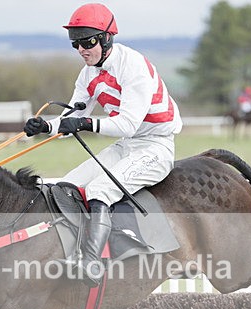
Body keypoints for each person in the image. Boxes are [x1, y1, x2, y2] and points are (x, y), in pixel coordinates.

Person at [24, 3, 182, 287]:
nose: (82, 49)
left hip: (155, 148)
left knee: (99, 190)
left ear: (107, 38)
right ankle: (68, 252)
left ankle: (92, 264)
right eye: (76, 44)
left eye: (88, 41)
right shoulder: (87, 74)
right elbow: (73, 116)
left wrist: (83, 125)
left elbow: (126, 125)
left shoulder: (132, 65)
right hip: (127, 146)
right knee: (65, 187)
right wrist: (46, 126)